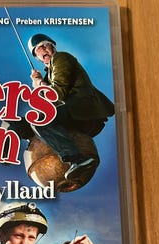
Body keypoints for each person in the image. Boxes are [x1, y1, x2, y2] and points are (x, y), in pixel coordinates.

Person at [7, 34, 115, 183]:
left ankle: (78, 159)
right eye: (38, 49)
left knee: (40, 120)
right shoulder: (49, 73)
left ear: (53, 47)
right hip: (69, 114)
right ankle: (2, 149)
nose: (43, 49)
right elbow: (47, 103)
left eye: (45, 45)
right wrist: (39, 83)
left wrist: (40, 84)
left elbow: (57, 94)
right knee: (17, 123)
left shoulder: (61, 58)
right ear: (37, 57)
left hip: (82, 111)